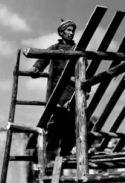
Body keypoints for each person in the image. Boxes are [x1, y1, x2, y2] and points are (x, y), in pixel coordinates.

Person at [23, 19, 86, 159]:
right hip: (56, 89)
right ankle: (49, 152)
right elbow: (42, 59)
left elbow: (83, 68)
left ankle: (66, 151)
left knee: (72, 122)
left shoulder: (78, 50)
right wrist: (36, 68)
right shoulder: (54, 47)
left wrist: (83, 84)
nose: (71, 33)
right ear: (61, 32)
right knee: (56, 121)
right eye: (68, 30)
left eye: (73, 31)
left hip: (73, 89)